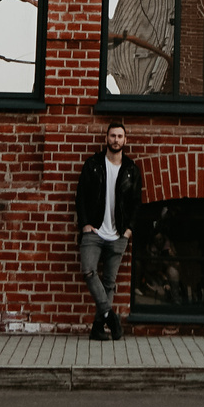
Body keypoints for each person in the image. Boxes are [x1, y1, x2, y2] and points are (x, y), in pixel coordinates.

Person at [74, 122, 142, 341]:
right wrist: (85, 224)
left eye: (120, 136)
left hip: (118, 235)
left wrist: (129, 231)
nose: (116, 139)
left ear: (125, 140)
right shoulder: (93, 164)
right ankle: (110, 316)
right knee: (88, 271)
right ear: (106, 138)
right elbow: (81, 197)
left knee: (109, 283)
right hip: (93, 231)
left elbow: (135, 204)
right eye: (112, 135)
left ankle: (97, 327)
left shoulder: (131, 169)